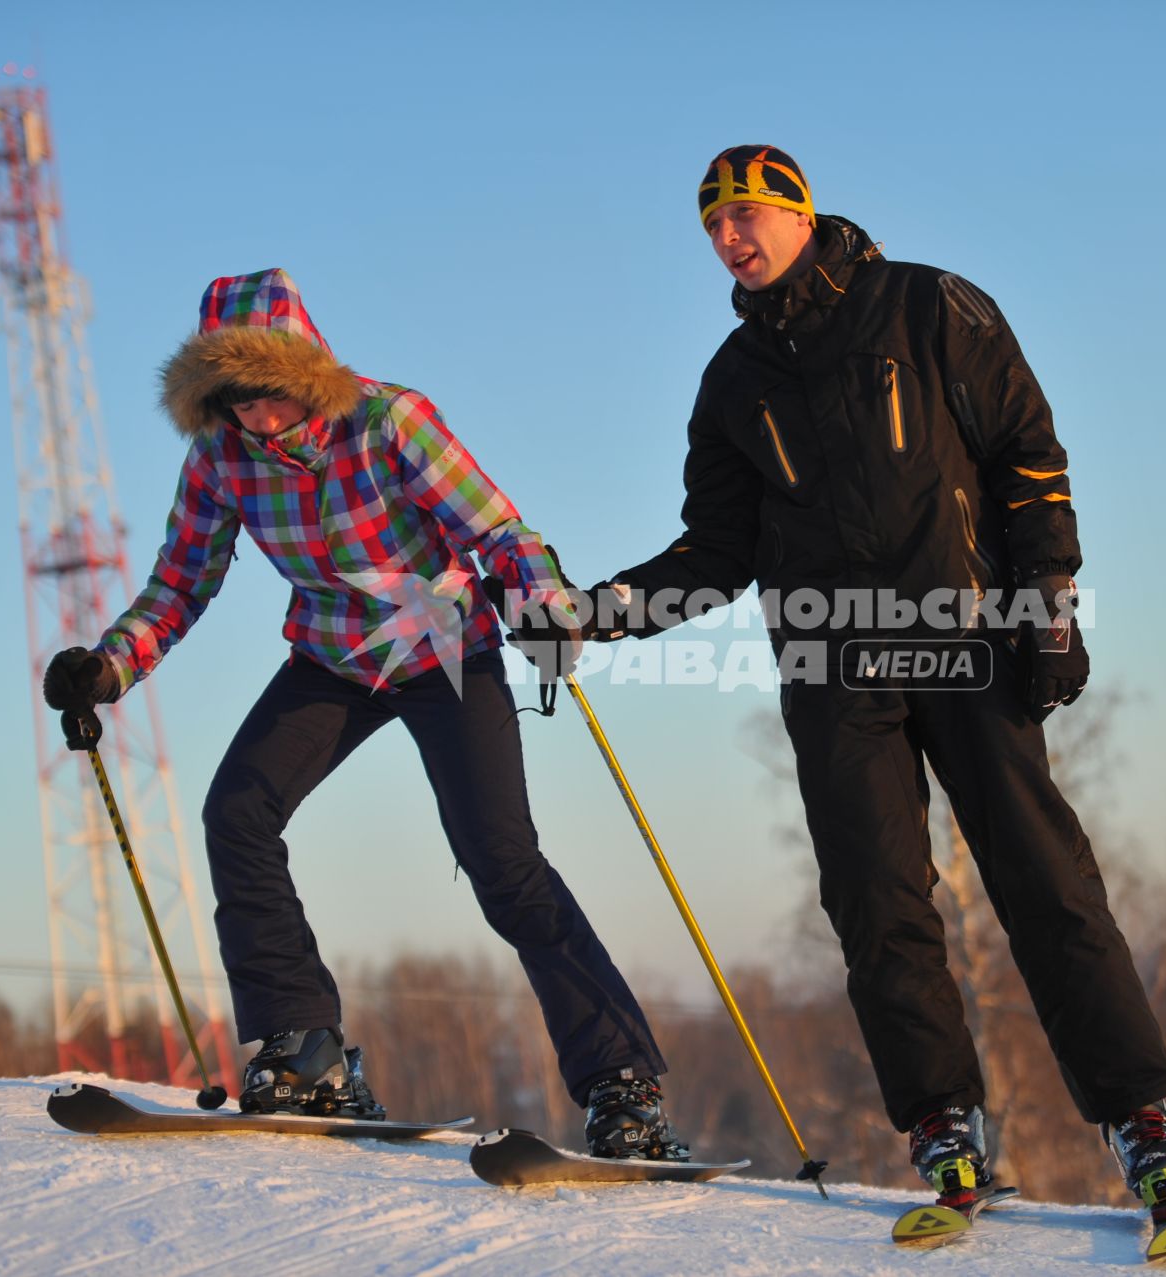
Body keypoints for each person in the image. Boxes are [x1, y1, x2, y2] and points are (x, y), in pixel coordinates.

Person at [577, 147, 1166, 1208]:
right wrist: (598, 611)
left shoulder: (927, 305)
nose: (731, 236)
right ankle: (942, 1122)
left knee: (1044, 879)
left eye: (749, 214)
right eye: (713, 224)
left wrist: (1047, 596)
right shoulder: (732, 382)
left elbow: (1026, 451)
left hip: (964, 637)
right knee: (875, 898)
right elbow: (715, 551)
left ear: (801, 214)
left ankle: (1139, 1113)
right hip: (833, 667)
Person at [40, 267, 687, 1160]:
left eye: (270, 392)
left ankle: (625, 1088)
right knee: (238, 809)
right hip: (333, 657)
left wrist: (540, 602)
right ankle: (304, 1049)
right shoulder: (220, 459)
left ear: (306, 374)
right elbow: (182, 581)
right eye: (232, 398)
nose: (257, 416)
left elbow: (501, 531)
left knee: (502, 861)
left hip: (444, 650)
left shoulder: (389, 422)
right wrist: (108, 666)